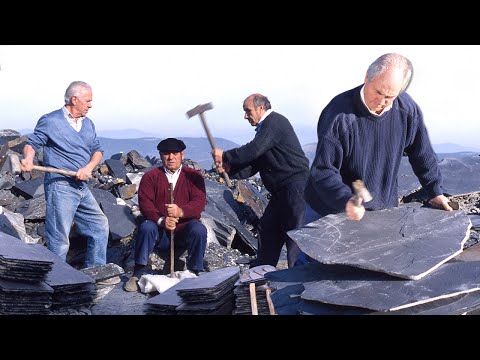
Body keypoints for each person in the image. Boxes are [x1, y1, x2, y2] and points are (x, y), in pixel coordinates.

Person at [304, 53, 453, 227]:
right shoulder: (339, 115)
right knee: (311, 254)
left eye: (390, 97)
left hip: (381, 211)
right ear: (367, 77)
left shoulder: (406, 110)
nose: (382, 101)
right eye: (379, 92)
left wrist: (435, 191)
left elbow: (422, 153)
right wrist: (346, 200)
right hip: (329, 210)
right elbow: (324, 170)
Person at [212, 93, 310, 269]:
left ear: (261, 108)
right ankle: (262, 273)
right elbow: (255, 164)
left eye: (247, 111)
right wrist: (229, 169)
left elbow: (254, 150)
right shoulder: (265, 130)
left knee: (295, 235)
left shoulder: (275, 122)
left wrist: (225, 155)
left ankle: (298, 281)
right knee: (267, 229)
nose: (245, 116)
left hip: (296, 188)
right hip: (280, 191)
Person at [20, 81, 110, 269]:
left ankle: (95, 272)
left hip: (81, 186)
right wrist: (28, 158)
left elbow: (98, 150)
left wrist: (89, 168)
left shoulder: (88, 124)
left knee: (99, 226)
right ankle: (55, 280)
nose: (90, 105)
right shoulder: (50, 120)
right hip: (60, 185)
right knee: (59, 238)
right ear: (74, 99)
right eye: (88, 100)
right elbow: (33, 143)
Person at [124, 137, 207, 292]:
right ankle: (138, 272)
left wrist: (181, 212)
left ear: (182, 154)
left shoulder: (194, 176)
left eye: (175, 153)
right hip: (160, 233)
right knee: (146, 226)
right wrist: (162, 220)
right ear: (161, 156)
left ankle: (195, 271)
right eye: (166, 154)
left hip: (183, 232)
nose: (171, 157)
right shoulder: (150, 177)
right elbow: (145, 204)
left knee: (199, 229)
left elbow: (199, 202)